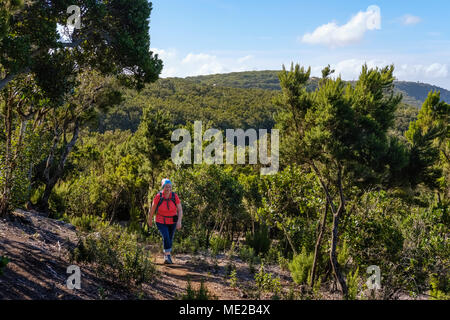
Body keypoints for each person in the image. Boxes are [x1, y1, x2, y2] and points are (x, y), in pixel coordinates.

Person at [148, 178, 183, 264]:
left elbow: (180, 210)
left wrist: (179, 221)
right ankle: (167, 256)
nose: (168, 189)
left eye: (170, 187)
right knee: (166, 236)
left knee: (170, 238)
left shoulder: (174, 196)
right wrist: (149, 219)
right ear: (163, 187)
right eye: (166, 187)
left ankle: (167, 254)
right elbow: (152, 209)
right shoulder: (158, 197)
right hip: (161, 221)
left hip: (173, 221)